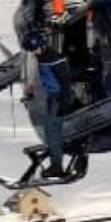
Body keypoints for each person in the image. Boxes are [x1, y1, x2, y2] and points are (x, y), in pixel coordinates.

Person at [23, 30, 70, 179]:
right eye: (31, 50)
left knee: (52, 131)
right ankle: (56, 163)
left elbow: (65, 81)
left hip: (59, 98)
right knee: (50, 131)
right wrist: (31, 89)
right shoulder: (43, 57)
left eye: (34, 49)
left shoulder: (54, 59)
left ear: (42, 45)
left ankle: (57, 167)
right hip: (52, 97)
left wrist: (64, 101)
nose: (33, 52)